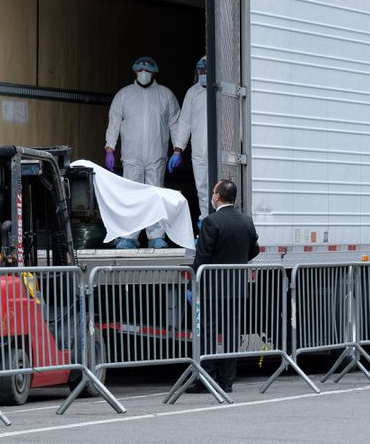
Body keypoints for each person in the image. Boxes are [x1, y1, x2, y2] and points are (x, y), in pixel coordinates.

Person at [188, 179, 259, 394]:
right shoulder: (246, 221)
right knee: (231, 334)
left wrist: (193, 280)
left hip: (213, 288)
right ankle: (227, 381)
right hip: (237, 287)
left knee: (208, 333)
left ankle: (207, 378)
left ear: (217, 196)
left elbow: (202, 257)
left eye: (213, 191)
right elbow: (254, 249)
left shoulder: (211, 222)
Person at [104, 56, 181, 249]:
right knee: (131, 196)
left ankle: (156, 235)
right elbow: (114, 123)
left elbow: (175, 125)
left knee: (156, 194)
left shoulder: (166, 95)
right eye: (140, 70)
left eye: (147, 70)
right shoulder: (124, 95)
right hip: (132, 156)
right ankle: (129, 235)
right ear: (135, 72)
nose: (144, 73)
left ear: (155, 72)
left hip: (157, 155)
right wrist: (109, 148)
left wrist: (177, 149)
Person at [169, 55, 208, 225]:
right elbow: (185, 122)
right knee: (203, 190)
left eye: (206, 70)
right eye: (200, 70)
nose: (203, 73)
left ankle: (223, 226)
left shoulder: (223, 89)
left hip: (223, 151)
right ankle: (206, 225)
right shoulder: (193, 92)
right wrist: (178, 149)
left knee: (223, 190)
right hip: (200, 151)